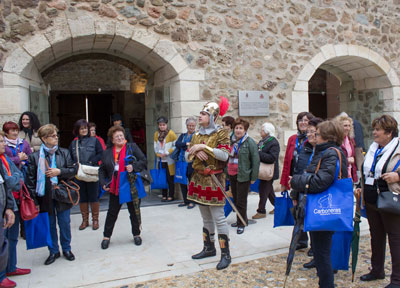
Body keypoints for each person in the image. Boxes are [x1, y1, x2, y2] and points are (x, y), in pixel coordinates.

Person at [291, 120, 347, 288]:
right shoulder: (322, 151)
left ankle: (327, 285)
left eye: (318, 133)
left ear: (326, 136)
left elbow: (319, 182)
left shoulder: (330, 153)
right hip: (317, 207)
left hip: (324, 208)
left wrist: (296, 181)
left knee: (322, 252)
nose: (314, 135)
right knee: (320, 250)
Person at [187, 100, 232, 270]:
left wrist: (204, 148)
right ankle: (209, 248)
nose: (200, 116)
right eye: (200, 113)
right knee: (205, 218)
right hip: (198, 179)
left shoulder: (221, 133)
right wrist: (195, 150)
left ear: (212, 117)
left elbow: (224, 155)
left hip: (214, 180)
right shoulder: (196, 135)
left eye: (204, 114)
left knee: (219, 218)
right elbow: (187, 156)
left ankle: (226, 254)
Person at [356, 115, 400, 288]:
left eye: (378, 129)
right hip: (372, 199)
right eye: (374, 129)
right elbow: (366, 172)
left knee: (395, 240)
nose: (374, 132)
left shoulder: (397, 148)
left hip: (390, 198)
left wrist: (397, 176)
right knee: (376, 237)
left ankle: (397, 279)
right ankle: (377, 270)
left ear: (389, 133)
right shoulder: (374, 148)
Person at [25, 124, 77, 265]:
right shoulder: (34, 157)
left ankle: (66, 248)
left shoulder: (64, 152)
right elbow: (30, 181)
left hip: (61, 193)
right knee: (50, 224)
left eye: (56, 135)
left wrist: (59, 172)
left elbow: (73, 171)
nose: (56, 138)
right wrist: (34, 201)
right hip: (45, 196)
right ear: (44, 138)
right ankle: (53, 251)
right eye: (53, 136)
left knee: (64, 223)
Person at [99, 125, 147, 249]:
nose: (120, 138)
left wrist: (133, 167)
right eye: (117, 137)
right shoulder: (108, 152)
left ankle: (136, 234)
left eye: (121, 135)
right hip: (116, 186)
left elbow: (143, 160)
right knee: (112, 212)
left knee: (134, 211)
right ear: (112, 139)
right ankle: (106, 236)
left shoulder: (132, 147)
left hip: (130, 184)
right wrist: (103, 183)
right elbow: (102, 170)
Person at [291, 117, 323, 267]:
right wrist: (294, 193)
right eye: (308, 132)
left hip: (317, 194)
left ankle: (319, 256)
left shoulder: (325, 152)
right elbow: (297, 171)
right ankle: (316, 255)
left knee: (317, 226)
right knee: (305, 220)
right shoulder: (305, 148)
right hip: (303, 191)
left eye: (313, 132)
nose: (309, 134)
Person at [0, 131, 27, 288]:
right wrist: (15, 179)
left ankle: (10, 268)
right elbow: (10, 182)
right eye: (1, 142)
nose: (4, 144)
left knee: (10, 239)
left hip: (9, 204)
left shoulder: (4, 160)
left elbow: (15, 179)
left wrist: (9, 207)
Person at [69, 120, 103, 231]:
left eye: (85, 128)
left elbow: (101, 154)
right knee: (82, 197)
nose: (84, 130)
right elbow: (70, 157)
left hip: (91, 171)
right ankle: (85, 220)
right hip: (79, 173)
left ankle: (95, 220)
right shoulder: (74, 143)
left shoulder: (95, 141)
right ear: (77, 130)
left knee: (94, 196)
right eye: (81, 128)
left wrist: (93, 161)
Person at [228, 118, 259, 234]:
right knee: (236, 200)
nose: (238, 130)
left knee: (241, 201)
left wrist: (253, 177)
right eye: (236, 128)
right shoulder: (231, 141)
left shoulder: (249, 142)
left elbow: (255, 161)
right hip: (232, 174)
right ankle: (241, 219)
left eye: (241, 128)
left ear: (245, 130)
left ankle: (241, 224)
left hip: (243, 176)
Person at [280, 112, 313, 221]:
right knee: (297, 209)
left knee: (307, 209)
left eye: (306, 120)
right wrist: (284, 182)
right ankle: (300, 235)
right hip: (293, 179)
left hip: (307, 179)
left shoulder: (312, 139)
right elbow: (286, 162)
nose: (303, 123)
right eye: (300, 120)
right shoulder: (292, 139)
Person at [252, 122, 280, 219]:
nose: (260, 131)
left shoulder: (274, 142)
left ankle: (261, 211)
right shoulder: (263, 141)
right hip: (264, 171)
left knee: (263, 190)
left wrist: (258, 153)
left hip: (269, 172)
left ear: (267, 131)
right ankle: (279, 207)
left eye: (262, 130)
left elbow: (272, 158)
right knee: (269, 191)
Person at [153, 116, 177, 202]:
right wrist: (158, 154)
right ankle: (164, 195)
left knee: (170, 178)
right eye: (160, 125)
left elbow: (175, 146)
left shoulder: (171, 133)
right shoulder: (156, 134)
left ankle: (171, 195)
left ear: (166, 125)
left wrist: (167, 152)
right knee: (162, 178)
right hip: (160, 160)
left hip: (169, 160)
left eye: (163, 125)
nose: (162, 126)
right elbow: (155, 145)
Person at [175, 117, 196, 209]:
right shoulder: (183, 135)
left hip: (192, 162)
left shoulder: (197, 135)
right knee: (182, 181)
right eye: (189, 125)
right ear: (186, 126)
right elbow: (177, 144)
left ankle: (192, 201)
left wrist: (185, 145)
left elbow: (194, 145)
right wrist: (186, 144)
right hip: (182, 161)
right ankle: (185, 200)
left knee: (192, 182)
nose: (191, 127)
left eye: (193, 126)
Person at [336, 114, 358, 183]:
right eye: (345, 126)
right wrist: (346, 160)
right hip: (339, 175)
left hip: (350, 174)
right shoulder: (334, 141)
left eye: (349, 126)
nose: (348, 128)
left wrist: (354, 177)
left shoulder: (350, 140)